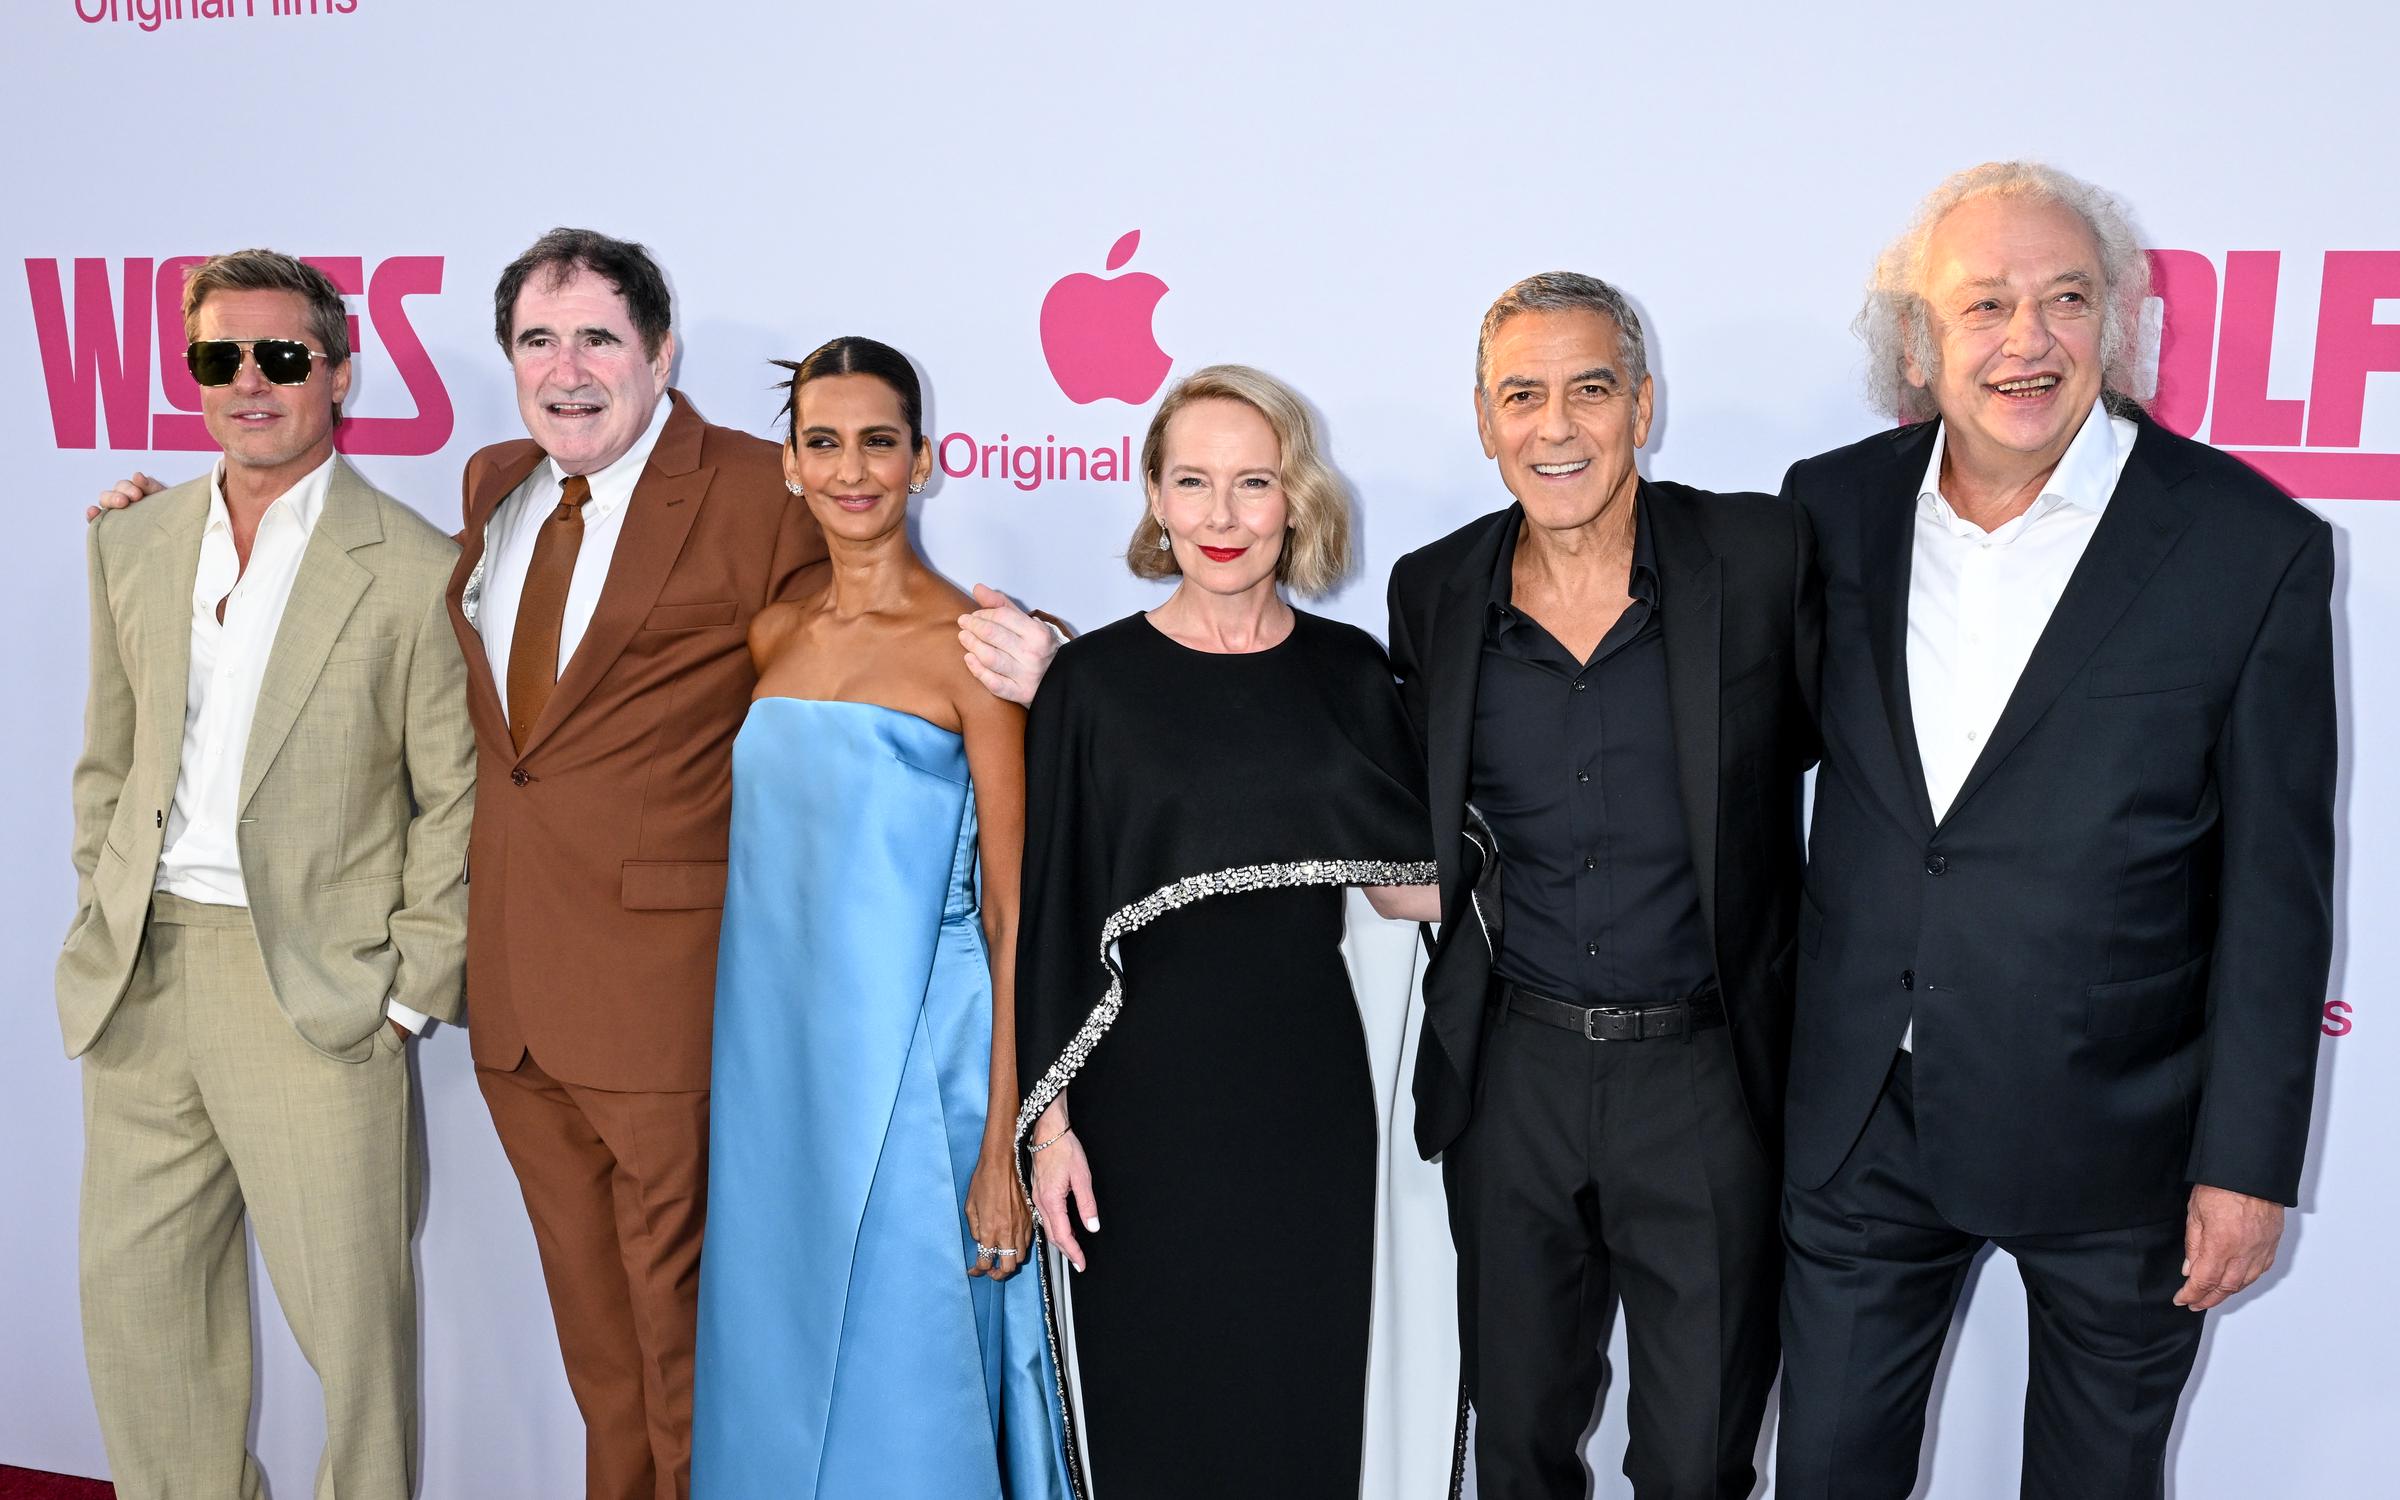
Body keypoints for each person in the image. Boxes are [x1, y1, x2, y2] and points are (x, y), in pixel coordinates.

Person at [1775, 161, 2337, 1500]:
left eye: (2064, 299)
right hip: (1862, 1120)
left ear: (2119, 323)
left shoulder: (2247, 545)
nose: (2026, 340)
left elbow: (2277, 887)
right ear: (1919, 341)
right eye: (1983, 306)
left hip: (2122, 1137)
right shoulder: (1827, 511)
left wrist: (2247, 1165)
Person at [1384, 273, 1820, 1499]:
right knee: (1516, 1447)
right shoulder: (1432, 589)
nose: (1557, 427)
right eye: (1523, 395)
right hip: (1512, 1074)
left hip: (1704, 1077)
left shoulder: (1756, 552)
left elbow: (1876, 765)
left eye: (1590, 389)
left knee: (1694, 1464)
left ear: (1643, 403)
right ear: (1483, 420)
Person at [60, 249, 474, 1498]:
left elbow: (453, 799)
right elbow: (110, 757)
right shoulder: (133, 540)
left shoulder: (412, 564)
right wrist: (104, 901)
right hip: (142, 976)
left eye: (281, 357)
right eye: (218, 359)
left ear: (337, 374)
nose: (250, 383)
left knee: (355, 1343)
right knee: (141, 1320)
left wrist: (408, 992)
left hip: (313, 994)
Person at [1014, 365, 1443, 1499]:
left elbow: (1409, 887)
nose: (1221, 515)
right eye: (1192, 482)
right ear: (1153, 497)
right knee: (1157, 1415)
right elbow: (1052, 916)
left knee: (1305, 1416)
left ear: (1295, 499)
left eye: (1253, 483)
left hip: (1310, 1109)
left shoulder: (1351, 673)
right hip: (1139, 1117)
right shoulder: (1090, 686)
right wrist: (1050, 1131)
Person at [688, 337, 1072, 1499]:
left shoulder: (971, 653)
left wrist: (1006, 1139)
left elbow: (1014, 912)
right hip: (777, 1086)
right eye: (823, 442)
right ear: (791, 465)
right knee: (775, 1363)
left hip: (923, 1076)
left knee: (913, 1388)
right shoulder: (774, 635)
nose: (852, 469)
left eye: (878, 441)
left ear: (924, 460)